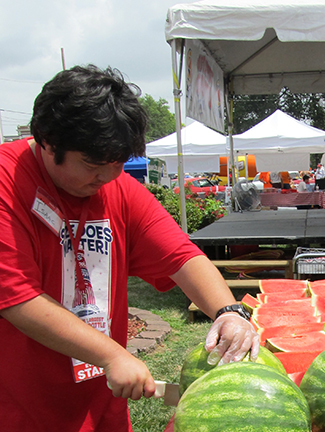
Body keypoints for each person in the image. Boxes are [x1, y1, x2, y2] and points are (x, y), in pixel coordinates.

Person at [0, 65, 260, 432]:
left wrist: (228, 311)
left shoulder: (117, 187)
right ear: (47, 141)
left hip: (101, 402)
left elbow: (182, 256)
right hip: (20, 408)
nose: (106, 177)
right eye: (92, 165)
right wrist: (111, 354)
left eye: (117, 164)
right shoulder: (6, 182)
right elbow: (16, 299)